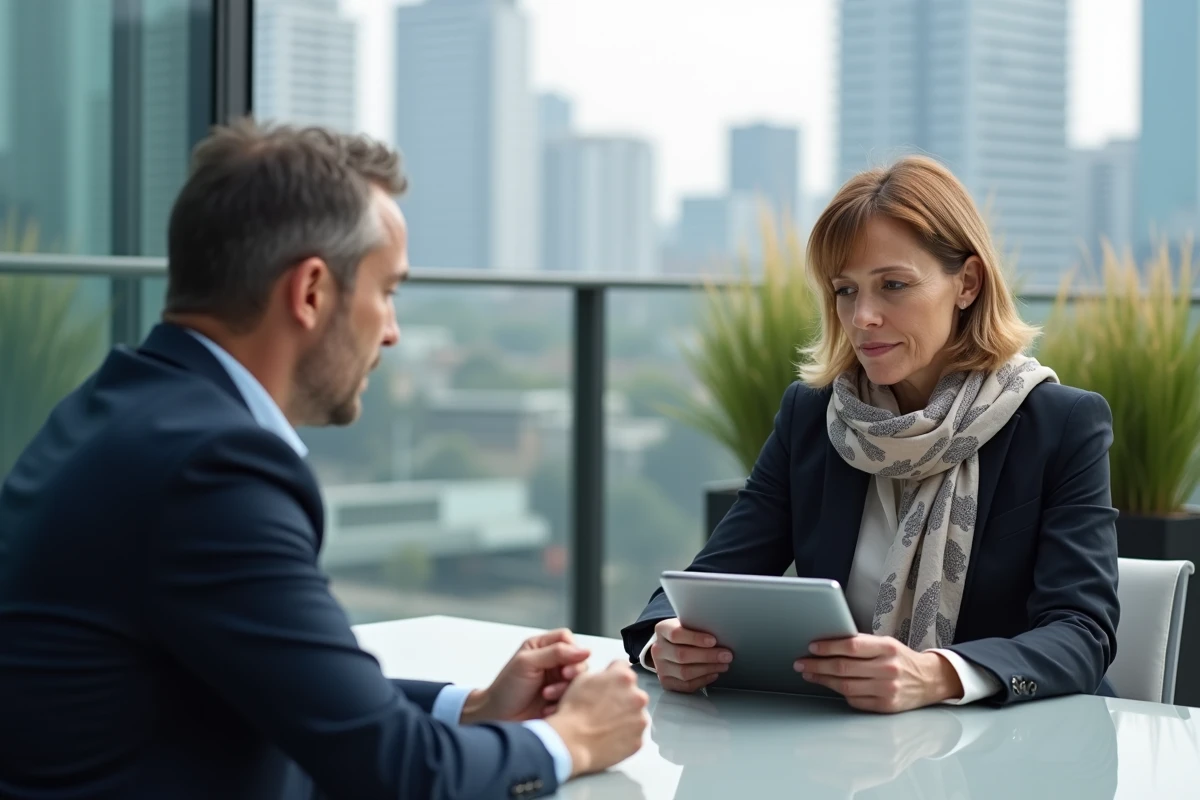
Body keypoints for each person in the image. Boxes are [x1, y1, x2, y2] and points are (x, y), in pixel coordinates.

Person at [0, 119, 648, 800]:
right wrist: (570, 738)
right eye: (387, 291)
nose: (393, 332)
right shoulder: (213, 467)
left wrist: (474, 707)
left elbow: (277, 680)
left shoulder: (118, 407)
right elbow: (396, 774)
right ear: (311, 292)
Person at [621, 155, 1120, 713]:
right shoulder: (814, 417)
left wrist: (937, 676)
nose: (862, 317)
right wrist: (664, 639)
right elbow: (707, 579)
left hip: (1022, 751)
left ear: (968, 284)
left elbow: (1082, 633)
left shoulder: (1060, 425)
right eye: (845, 290)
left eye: (893, 285)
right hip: (847, 751)